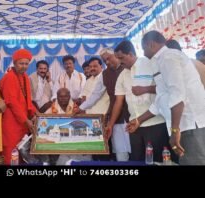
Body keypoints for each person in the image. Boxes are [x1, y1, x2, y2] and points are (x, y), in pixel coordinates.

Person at [127, 30, 205, 165]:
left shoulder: (168, 57)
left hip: (189, 124)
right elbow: (161, 99)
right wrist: (139, 120)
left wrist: (175, 131)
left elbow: (177, 95)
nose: (144, 54)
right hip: (183, 126)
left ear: (151, 44)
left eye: (144, 49)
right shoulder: (160, 61)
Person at [108, 40, 172, 162]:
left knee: (158, 160)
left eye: (121, 58)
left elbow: (166, 88)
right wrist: (110, 125)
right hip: (134, 126)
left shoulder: (150, 64)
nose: (119, 62)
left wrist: (146, 89)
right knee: (137, 159)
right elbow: (118, 102)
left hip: (155, 123)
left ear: (131, 54)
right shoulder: (122, 75)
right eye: (117, 58)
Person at [76, 48, 130, 161]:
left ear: (115, 55)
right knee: (120, 150)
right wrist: (81, 108)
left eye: (109, 58)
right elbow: (95, 95)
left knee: (137, 149)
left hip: (133, 114)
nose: (107, 62)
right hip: (116, 117)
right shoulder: (105, 74)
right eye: (105, 60)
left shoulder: (127, 68)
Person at [0, 49, 36, 165]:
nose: (24, 66)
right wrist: (26, 120)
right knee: (11, 153)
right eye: (21, 63)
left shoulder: (25, 76)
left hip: (23, 123)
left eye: (26, 64)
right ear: (14, 63)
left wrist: (35, 114)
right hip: (11, 123)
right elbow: (12, 102)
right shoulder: (9, 77)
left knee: (21, 154)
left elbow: (28, 100)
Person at [45, 88, 91, 165]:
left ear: (69, 97)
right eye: (61, 96)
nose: (63, 99)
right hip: (57, 144)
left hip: (73, 143)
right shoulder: (50, 110)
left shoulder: (77, 110)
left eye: (65, 96)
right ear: (57, 97)